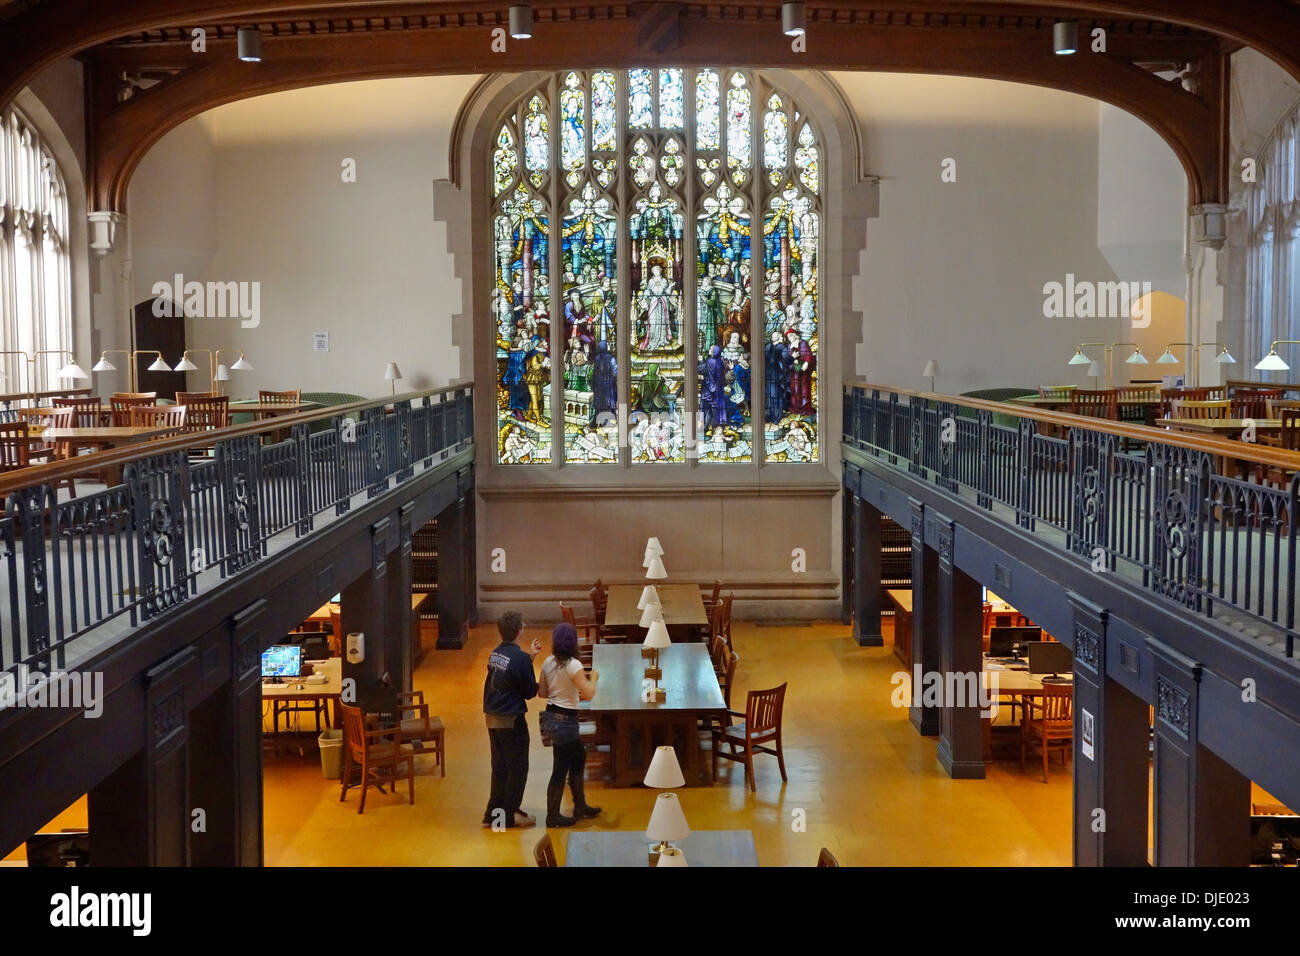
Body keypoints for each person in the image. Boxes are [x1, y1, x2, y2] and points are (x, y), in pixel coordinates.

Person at [536, 623, 602, 828]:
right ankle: (553, 816)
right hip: (566, 722)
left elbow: (542, 693)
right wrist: (594, 678)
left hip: (551, 717)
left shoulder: (548, 662)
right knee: (561, 768)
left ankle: (580, 806)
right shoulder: (574, 665)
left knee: (577, 757)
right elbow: (588, 694)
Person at [482, 611, 542, 829]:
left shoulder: (495, 653)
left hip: (492, 718)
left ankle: (494, 814)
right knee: (517, 767)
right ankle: (509, 815)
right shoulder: (520, 658)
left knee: (500, 768)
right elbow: (528, 691)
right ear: (519, 631)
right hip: (511, 720)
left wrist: (530, 657)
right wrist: (541, 683)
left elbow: (510, 672)